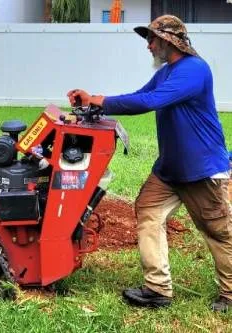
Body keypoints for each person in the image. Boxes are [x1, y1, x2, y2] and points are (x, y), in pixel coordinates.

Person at [67, 15, 231, 312]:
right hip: (170, 169)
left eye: (152, 40)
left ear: (169, 41)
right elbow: (140, 95)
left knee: (218, 230)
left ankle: (230, 293)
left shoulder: (194, 70)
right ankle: (158, 289)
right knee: (148, 211)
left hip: (202, 170)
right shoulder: (168, 71)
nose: (149, 46)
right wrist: (94, 103)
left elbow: (150, 102)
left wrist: (99, 99)